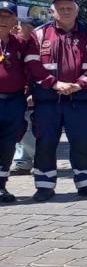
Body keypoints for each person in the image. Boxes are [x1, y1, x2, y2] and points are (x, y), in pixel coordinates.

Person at [26, 0, 87, 201]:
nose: (65, 11)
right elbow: (32, 63)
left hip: (77, 101)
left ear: (76, 11)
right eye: (60, 8)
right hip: (47, 101)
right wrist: (55, 84)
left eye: (69, 7)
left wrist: (79, 85)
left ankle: (86, 184)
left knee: (82, 142)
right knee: (46, 142)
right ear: (52, 11)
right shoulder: (39, 34)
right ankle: (44, 186)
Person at [0, 1, 32, 202]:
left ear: (14, 20)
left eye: (7, 16)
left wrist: (30, 92)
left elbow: (31, 70)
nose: (3, 20)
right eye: (0, 16)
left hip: (14, 102)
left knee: (8, 144)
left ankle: (1, 185)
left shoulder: (20, 44)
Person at [11, 17, 42, 176]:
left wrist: (32, 93)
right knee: (19, 128)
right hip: (16, 96)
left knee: (28, 129)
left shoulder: (38, 47)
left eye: (21, 26)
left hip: (34, 94)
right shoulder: (15, 45)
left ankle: (41, 159)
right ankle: (23, 162)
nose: (16, 29)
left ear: (33, 29)